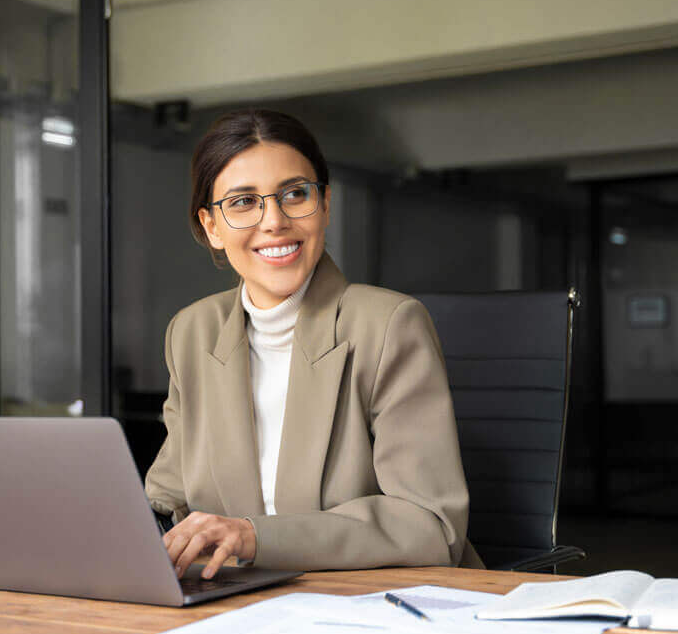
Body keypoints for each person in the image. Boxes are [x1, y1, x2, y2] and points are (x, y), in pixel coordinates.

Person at [145, 108, 483, 580]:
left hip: (374, 602)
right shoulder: (192, 331)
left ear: (324, 205)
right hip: (239, 598)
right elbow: (169, 495)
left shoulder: (388, 326)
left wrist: (252, 537)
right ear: (212, 227)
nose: (274, 221)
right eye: (243, 202)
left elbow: (431, 524)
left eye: (295, 194)